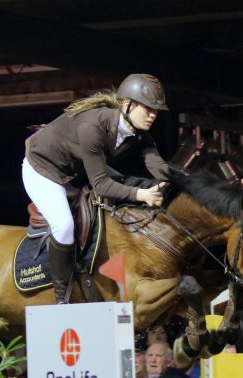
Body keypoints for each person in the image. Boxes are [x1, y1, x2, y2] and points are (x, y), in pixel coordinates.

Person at [22, 74, 170, 303]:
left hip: (75, 170)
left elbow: (157, 165)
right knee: (63, 226)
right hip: (43, 169)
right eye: (148, 108)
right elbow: (100, 184)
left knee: (127, 183)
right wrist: (142, 195)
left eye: (156, 110)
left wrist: (183, 182)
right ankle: (62, 300)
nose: (153, 115)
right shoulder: (93, 127)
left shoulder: (140, 133)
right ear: (127, 104)